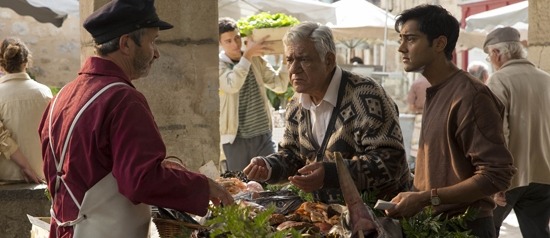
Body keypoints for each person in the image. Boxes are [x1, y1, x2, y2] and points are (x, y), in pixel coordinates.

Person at [39, 1, 234, 237]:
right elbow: (141, 180)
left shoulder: (62, 96)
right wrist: (203, 186)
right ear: (126, 44)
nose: (157, 52)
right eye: (152, 42)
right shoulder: (123, 99)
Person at [243, 22, 411, 204]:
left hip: (379, 217)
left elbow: (392, 161)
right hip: (326, 219)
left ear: (329, 60)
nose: (293, 69)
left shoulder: (367, 95)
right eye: (290, 60)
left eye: (304, 59)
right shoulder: (296, 104)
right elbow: (292, 156)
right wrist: (268, 166)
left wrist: (331, 173)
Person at [386, 5, 515, 238]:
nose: (401, 48)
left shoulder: (471, 95)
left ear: (439, 44)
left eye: (411, 39)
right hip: (432, 225)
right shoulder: (437, 90)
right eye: (400, 39)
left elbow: (496, 174)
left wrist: (427, 197)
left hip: (465, 228)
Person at [484, 26, 550, 238]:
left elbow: (498, 132)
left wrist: (497, 180)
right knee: (537, 233)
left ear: (496, 53)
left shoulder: (499, 79)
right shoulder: (546, 79)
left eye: (489, 56)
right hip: (545, 175)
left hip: (512, 176)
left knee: (485, 229)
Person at [218, 17, 290, 172]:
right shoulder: (219, 65)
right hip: (235, 139)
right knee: (240, 186)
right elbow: (232, 85)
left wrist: (285, 61)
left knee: (270, 180)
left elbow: (279, 85)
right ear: (220, 44)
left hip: (263, 134)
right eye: (228, 41)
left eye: (237, 37)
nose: (235, 44)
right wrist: (247, 57)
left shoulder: (255, 58)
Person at [0, 37, 51, 184]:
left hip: (6, 177)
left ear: (2, 64)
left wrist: (25, 166)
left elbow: (2, 137)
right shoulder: (44, 93)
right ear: (26, 62)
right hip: (41, 174)